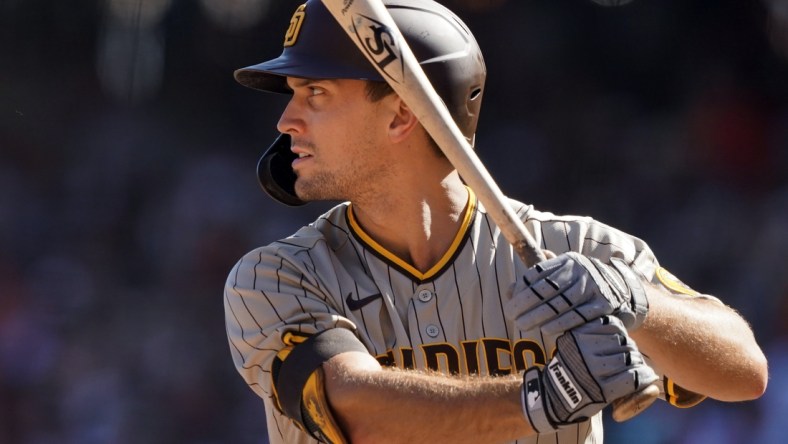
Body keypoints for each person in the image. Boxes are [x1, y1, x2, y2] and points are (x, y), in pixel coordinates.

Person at [224, 1, 768, 443]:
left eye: (314, 94)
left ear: (401, 114)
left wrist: (637, 301)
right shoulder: (277, 277)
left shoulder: (572, 248)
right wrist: (543, 399)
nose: (285, 120)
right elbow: (357, 411)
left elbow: (745, 371)